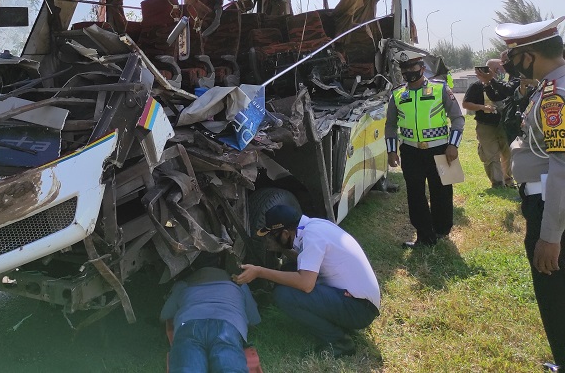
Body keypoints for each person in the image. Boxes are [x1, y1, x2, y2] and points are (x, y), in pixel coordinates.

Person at [496, 17, 565, 368]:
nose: (509, 64)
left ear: (530, 56)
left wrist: (550, 236)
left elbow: (562, 168)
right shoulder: (549, 87)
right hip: (548, 201)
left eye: (514, 56)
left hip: (550, 207)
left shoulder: (556, 97)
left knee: (556, 298)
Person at [234, 205, 380, 357]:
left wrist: (259, 272)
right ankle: (337, 324)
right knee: (290, 269)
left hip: (360, 309)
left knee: (284, 295)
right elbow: (308, 263)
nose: (270, 239)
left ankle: (338, 341)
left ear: (285, 232)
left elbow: (306, 284)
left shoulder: (312, 236)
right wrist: (282, 249)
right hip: (359, 302)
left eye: (273, 235)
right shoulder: (314, 226)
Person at [385, 50, 465, 247]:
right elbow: (390, 125)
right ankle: (424, 235)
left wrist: (453, 145)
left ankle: (441, 230)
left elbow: (457, 119)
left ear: (422, 68)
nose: (408, 72)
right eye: (404, 69)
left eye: (412, 67)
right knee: (415, 193)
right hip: (411, 152)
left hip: (440, 149)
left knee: (442, 191)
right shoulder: (397, 94)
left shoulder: (440, 89)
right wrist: (391, 150)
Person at [160, 266, 260, 373]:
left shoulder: (182, 284)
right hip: (228, 324)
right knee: (230, 366)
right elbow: (254, 318)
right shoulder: (240, 283)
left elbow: (165, 315)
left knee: (187, 367)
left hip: (189, 323)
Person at [463, 69, 514, 188]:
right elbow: (466, 104)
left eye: (497, 69)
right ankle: (497, 182)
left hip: (504, 124)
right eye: (492, 69)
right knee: (490, 154)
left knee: (508, 152)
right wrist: (482, 107)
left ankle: (508, 179)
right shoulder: (476, 86)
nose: (496, 72)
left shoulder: (504, 85)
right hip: (485, 124)